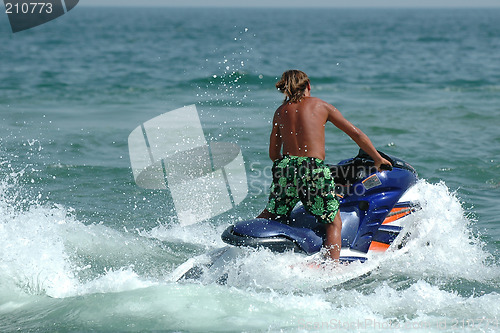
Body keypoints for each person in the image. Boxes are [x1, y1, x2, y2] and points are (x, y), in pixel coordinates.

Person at [257, 70, 392, 262]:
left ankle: (240, 242)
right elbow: (356, 134)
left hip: (285, 165)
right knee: (332, 222)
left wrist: (289, 169)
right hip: (313, 167)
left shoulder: (280, 112)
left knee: (271, 213)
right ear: (309, 86)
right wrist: (377, 158)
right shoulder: (321, 106)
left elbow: (273, 154)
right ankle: (331, 268)